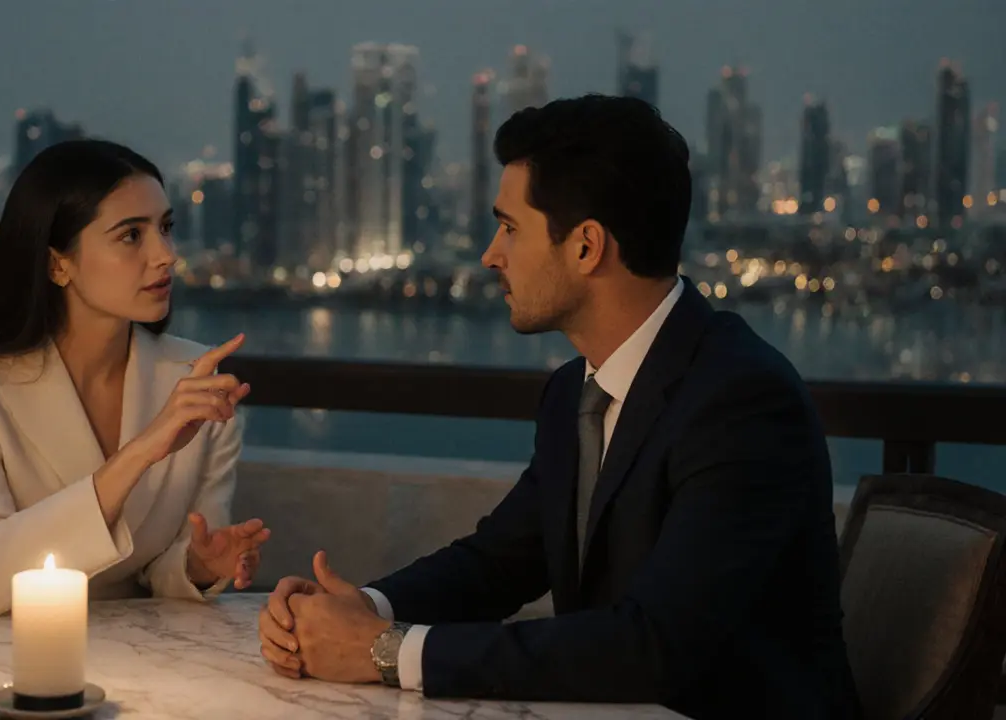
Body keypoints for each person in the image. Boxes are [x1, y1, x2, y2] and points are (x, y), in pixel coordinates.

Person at [257, 96, 858, 720]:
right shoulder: (577, 390)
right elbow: (499, 562)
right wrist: (361, 609)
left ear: (586, 246)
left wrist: (388, 652)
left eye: (511, 228)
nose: (492, 254)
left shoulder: (740, 401)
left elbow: (654, 645)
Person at [0, 139, 268, 618]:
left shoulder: (197, 383)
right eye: (132, 235)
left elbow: (156, 573)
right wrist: (142, 450)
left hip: (138, 663)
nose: (166, 255)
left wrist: (199, 565)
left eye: (166, 228)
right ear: (57, 263)